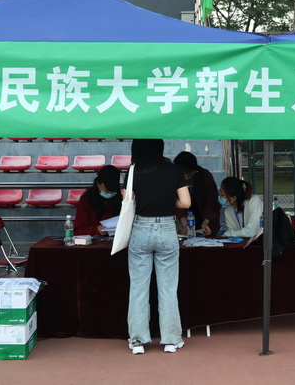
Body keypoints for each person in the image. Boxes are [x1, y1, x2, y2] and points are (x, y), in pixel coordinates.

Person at [127, 139, 191, 355]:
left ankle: (137, 340)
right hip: (166, 228)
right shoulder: (174, 170)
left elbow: (128, 200)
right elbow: (186, 203)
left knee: (138, 288)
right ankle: (171, 340)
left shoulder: (133, 170)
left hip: (141, 228)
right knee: (168, 288)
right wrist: (168, 201)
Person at [173, 151, 220, 236]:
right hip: (185, 220)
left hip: (204, 221)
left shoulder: (205, 176)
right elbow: (177, 201)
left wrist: (206, 220)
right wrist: (184, 222)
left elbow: (211, 202)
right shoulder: (176, 179)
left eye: (184, 173)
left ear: (193, 171)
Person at [73, 164, 123, 236]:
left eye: (113, 190)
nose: (110, 193)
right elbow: (78, 231)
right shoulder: (86, 201)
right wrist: (96, 229)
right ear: (98, 184)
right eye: (107, 190)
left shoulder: (120, 200)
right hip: (92, 240)